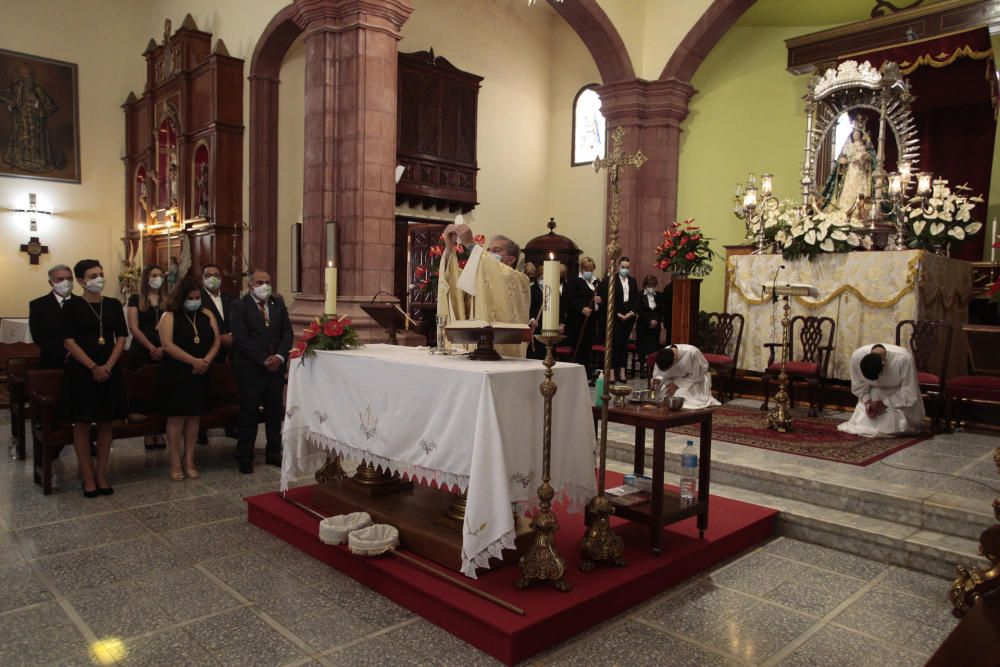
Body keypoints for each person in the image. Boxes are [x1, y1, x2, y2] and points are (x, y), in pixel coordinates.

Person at [57, 259, 128, 497]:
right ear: (80, 281)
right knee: (83, 424)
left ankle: (101, 474)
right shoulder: (72, 306)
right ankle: (87, 477)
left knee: (107, 422)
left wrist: (107, 365)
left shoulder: (113, 304)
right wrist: (93, 366)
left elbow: (120, 337)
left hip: (109, 370)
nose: (99, 279)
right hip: (82, 372)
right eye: (92, 275)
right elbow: (69, 340)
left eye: (100, 273)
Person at [230, 269, 293, 474]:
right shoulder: (239, 306)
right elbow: (241, 338)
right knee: (248, 415)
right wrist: (263, 359)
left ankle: (274, 452)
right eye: (260, 282)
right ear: (250, 286)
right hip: (251, 370)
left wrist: (280, 357)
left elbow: (287, 333)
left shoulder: (277, 304)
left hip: (275, 369)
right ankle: (244, 456)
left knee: (275, 413)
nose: (264, 285)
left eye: (267, 281)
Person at [158, 276, 221, 481]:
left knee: (194, 417)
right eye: (190, 297)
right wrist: (193, 361)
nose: (194, 300)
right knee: (177, 418)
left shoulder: (206, 314)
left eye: (197, 297)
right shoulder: (169, 316)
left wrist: (206, 361)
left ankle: (189, 459)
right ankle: (175, 461)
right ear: (181, 297)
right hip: (177, 372)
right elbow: (167, 345)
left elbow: (216, 340)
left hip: (201, 371)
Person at [436, 223, 530, 358]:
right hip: (473, 347)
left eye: (497, 250)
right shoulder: (479, 277)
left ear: (511, 259)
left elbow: (500, 272)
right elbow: (454, 281)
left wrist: (470, 244)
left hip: (503, 353)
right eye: (489, 250)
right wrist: (449, 248)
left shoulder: (519, 279)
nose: (490, 254)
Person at [838, 343, 925, 437]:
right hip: (873, 394)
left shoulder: (904, 359)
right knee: (863, 425)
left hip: (898, 397)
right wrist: (867, 401)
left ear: (884, 363)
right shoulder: (856, 357)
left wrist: (885, 403)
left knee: (890, 427)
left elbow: (909, 392)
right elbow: (859, 385)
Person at [126, 264, 168, 449]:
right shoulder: (136, 299)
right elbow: (134, 328)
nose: (157, 278)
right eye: (154, 275)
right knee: (145, 390)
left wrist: (164, 347)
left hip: (166, 349)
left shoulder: (168, 299)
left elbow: (174, 325)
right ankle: (148, 433)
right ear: (146, 278)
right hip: (143, 350)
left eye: (160, 275)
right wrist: (152, 347)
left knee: (161, 390)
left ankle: (160, 432)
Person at [822, 117, 876, 216]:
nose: (855, 135)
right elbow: (843, 159)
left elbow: (870, 160)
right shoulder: (848, 146)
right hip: (850, 172)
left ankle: (860, 211)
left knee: (860, 190)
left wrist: (864, 159)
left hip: (860, 172)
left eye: (857, 134)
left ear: (861, 135)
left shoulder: (864, 146)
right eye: (854, 133)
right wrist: (844, 161)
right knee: (847, 190)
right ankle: (844, 210)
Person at [599, 256, 638, 383]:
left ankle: (622, 371)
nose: (625, 269)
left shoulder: (632, 281)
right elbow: (607, 300)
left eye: (627, 267)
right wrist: (617, 313)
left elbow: (635, 299)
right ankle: (611, 372)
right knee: (614, 345)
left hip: (628, 318)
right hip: (615, 317)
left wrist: (631, 312)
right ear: (618, 267)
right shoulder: (611, 280)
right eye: (623, 267)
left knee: (624, 345)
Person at [29, 264, 76, 369]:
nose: (66, 282)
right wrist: (64, 353)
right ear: (51, 282)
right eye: (60, 279)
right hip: (52, 360)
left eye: (69, 278)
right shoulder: (38, 305)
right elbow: (39, 335)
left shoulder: (82, 303)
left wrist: (76, 353)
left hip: (81, 360)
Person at [563, 257, 600, 381]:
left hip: (591, 320)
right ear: (581, 269)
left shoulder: (595, 282)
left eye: (591, 269)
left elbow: (598, 299)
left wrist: (600, 301)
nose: (589, 272)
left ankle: (586, 372)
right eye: (586, 269)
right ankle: (576, 371)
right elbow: (570, 299)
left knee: (587, 347)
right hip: (577, 321)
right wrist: (581, 308)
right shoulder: (574, 281)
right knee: (578, 346)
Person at [652, 345, 721, 410]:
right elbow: (660, 374)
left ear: (674, 359)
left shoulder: (692, 353)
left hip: (692, 380)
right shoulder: (662, 355)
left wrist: (677, 384)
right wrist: (658, 380)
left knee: (679, 396)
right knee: (663, 397)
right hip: (671, 380)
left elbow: (698, 375)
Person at [199, 263, 233, 363]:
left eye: (216, 275)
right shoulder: (197, 299)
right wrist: (219, 338)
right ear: (202, 279)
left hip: (230, 352)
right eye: (208, 276)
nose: (213, 278)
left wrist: (232, 335)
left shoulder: (230, 298)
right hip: (207, 352)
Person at [636, 274, 667, 362]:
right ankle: (642, 369)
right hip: (643, 327)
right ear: (645, 285)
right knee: (642, 350)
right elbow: (639, 311)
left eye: (653, 286)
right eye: (649, 286)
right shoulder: (640, 295)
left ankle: (652, 369)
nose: (651, 288)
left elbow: (661, 311)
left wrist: (656, 320)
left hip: (655, 329)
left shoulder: (659, 296)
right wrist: (649, 321)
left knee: (653, 350)